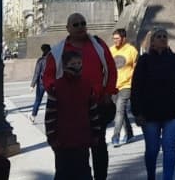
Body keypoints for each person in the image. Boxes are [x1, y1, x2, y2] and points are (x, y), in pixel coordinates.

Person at [42, 13, 118, 180]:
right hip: (69, 109)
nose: (80, 26)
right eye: (75, 24)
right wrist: (56, 92)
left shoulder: (98, 45)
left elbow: (111, 69)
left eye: (83, 23)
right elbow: (48, 76)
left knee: (98, 145)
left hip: (96, 104)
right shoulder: (58, 51)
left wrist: (107, 92)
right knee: (71, 152)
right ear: (68, 28)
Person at [131, 28, 175, 180]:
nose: (162, 39)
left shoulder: (174, 59)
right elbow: (136, 87)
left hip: (172, 111)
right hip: (149, 113)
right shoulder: (144, 61)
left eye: (164, 36)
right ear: (152, 41)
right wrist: (137, 112)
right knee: (152, 149)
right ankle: (151, 176)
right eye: (158, 36)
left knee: (169, 147)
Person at [45, 50, 105, 180]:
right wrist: (52, 137)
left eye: (79, 63)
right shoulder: (57, 86)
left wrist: (95, 133)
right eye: (73, 63)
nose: (77, 66)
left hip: (82, 137)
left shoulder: (86, 85)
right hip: (62, 139)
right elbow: (50, 114)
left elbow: (92, 111)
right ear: (65, 65)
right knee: (63, 171)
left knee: (83, 170)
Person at [109, 28, 139, 148]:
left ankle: (115, 136)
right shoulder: (110, 50)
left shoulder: (131, 50)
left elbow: (136, 69)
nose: (115, 41)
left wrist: (134, 83)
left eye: (117, 38)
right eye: (114, 38)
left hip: (127, 85)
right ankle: (130, 133)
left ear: (123, 38)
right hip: (114, 86)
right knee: (120, 112)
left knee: (119, 110)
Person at [29, 44, 53, 124]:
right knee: (52, 100)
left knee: (38, 100)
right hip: (50, 84)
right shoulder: (53, 59)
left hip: (41, 84)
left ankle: (33, 116)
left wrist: (32, 85)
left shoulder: (40, 60)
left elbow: (37, 73)